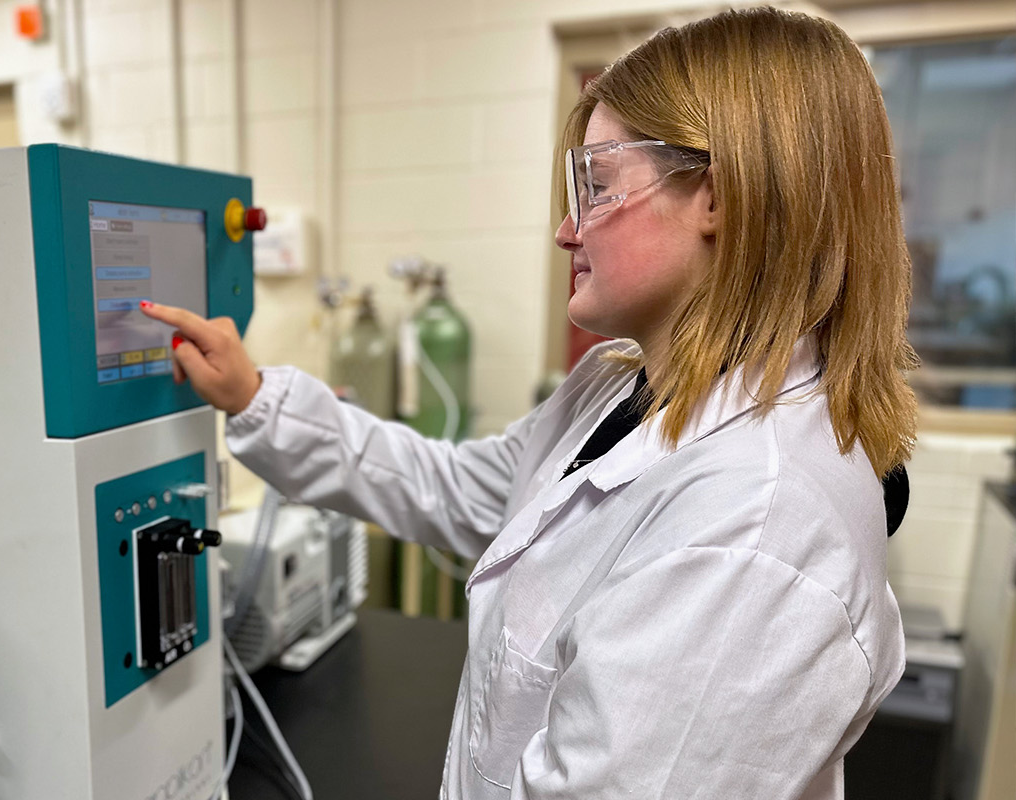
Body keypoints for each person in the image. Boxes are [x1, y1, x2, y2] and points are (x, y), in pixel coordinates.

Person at [142, 6, 918, 798]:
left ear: (718, 197)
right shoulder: (624, 386)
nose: (565, 229)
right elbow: (455, 487)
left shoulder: (753, 528)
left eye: (600, 186)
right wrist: (254, 397)